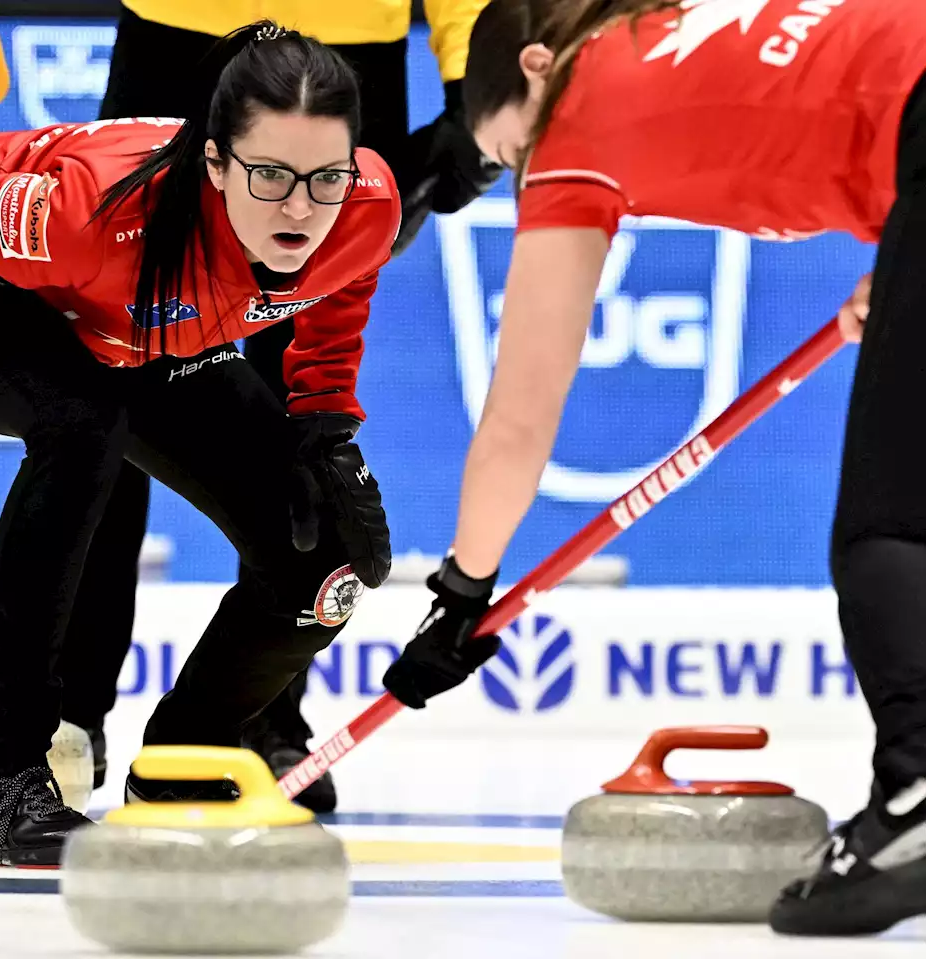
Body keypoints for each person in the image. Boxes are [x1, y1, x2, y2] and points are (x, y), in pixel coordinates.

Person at [376, 0, 927, 938]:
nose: (522, 178)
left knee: (894, 525)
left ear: (539, 69)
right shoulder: (665, 27)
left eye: (509, 158)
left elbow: (518, 415)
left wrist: (463, 588)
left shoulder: (574, 122)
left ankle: (915, 804)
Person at [0, 21, 397, 867]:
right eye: (271, 176)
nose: (300, 208)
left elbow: (340, 281)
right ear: (214, 164)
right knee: (83, 426)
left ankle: (185, 761)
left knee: (324, 560)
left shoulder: (363, 207)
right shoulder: (82, 216)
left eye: (324, 177)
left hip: (139, 330)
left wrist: (325, 422)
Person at [64, 0, 502, 814]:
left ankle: (260, 718)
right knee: (110, 358)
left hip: (351, 45)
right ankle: (66, 709)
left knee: (303, 404)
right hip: (176, 28)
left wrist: (474, 79)